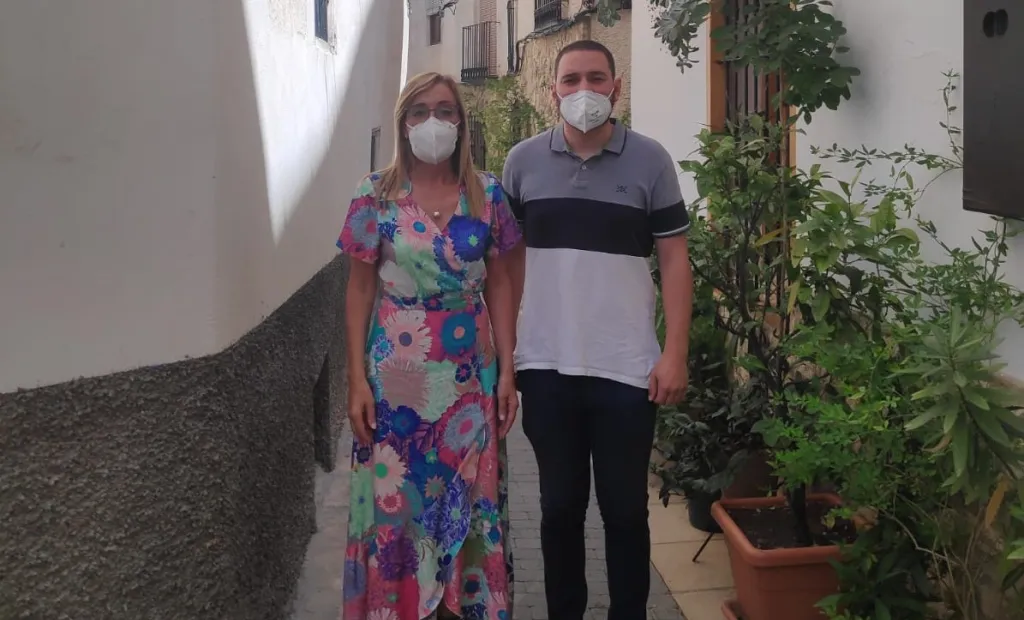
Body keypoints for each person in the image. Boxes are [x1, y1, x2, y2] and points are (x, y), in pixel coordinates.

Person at [501, 40, 694, 620]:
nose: (583, 90)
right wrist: (504, 354)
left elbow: (675, 259)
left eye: (595, 78)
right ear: (552, 91)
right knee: (558, 510)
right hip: (545, 365)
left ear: (616, 87)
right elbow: (506, 264)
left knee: (625, 512)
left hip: (627, 369)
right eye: (571, 79)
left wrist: (675, 352)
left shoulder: (651, 161)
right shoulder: (522, 163)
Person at [337, 71, 522, 620]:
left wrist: (508, 370)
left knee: (470, 497)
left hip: (470, 380)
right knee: (401, 503)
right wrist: (355, 379)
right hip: (397, 384)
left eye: (444, 110)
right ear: (403, 124)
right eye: (419, 112)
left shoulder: (487, 193)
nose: (432, 122)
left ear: (461, 121)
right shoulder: (375, 195)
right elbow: (360, 288)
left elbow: (501, 281)